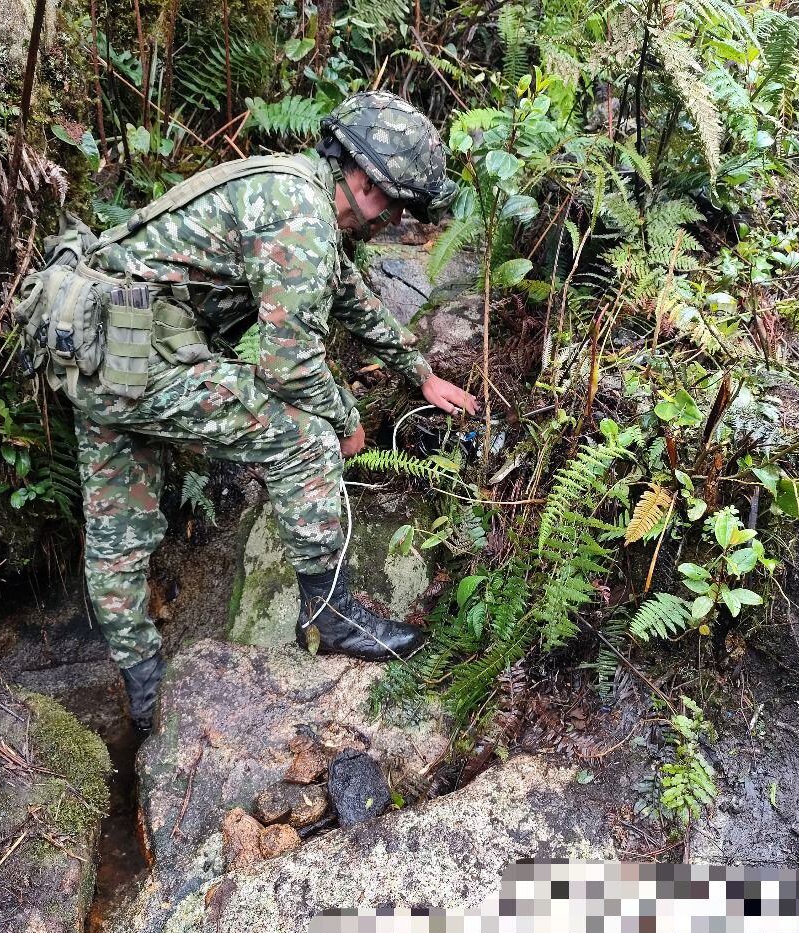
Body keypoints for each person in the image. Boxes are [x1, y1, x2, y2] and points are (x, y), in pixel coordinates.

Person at [42, 92, 478, 731]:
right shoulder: (300, 212)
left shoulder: (291, 188)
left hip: (99, 346)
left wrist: (419, 370)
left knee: (116, 530)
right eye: (396, 204)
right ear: (364, 181)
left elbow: (345, 294)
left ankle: (145, 696)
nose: (392, 220)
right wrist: (346, 418)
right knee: (304, 440)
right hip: (136, 349)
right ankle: (332, 616)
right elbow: (289, 365)